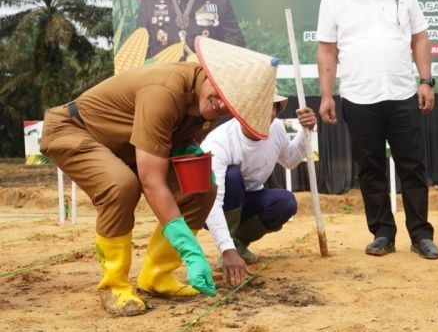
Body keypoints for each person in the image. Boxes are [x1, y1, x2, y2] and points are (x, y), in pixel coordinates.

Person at [39, 37, 279, 316]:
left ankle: (156, 276)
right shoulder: (164, 92)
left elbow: (175, 141)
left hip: (127, 146)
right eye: (223, 95)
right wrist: (189, 248)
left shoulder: (208, 104)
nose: (222, 107)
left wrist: (187, 145)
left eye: (232, 105)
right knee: (120, 186)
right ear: (212, 73)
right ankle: (113, 285)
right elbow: (151, 182)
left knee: (201, 186)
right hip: (75, 130)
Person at [316, 0, 438, 260]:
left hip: (402, 95)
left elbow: (419, 37)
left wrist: (426, 81)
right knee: (370, 169)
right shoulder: (333, 0)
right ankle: (382, 233)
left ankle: (421, 235)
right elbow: (327, 49)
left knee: (412, 166)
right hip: (358, 97)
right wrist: (326, 94)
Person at [201, 94, 317, 286]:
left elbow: (290, 159)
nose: (262, 115)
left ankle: (239, 244)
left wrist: (307, 130)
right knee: (232, 176)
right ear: (239, 111)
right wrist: (226, 249)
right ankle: (229, 249)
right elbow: (212, 201)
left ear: (276, 110)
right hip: (214, 205)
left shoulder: (277, 128)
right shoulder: (219, 142)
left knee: (285, 202)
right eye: (255, 107)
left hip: (250, 200)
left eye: (269, 107)